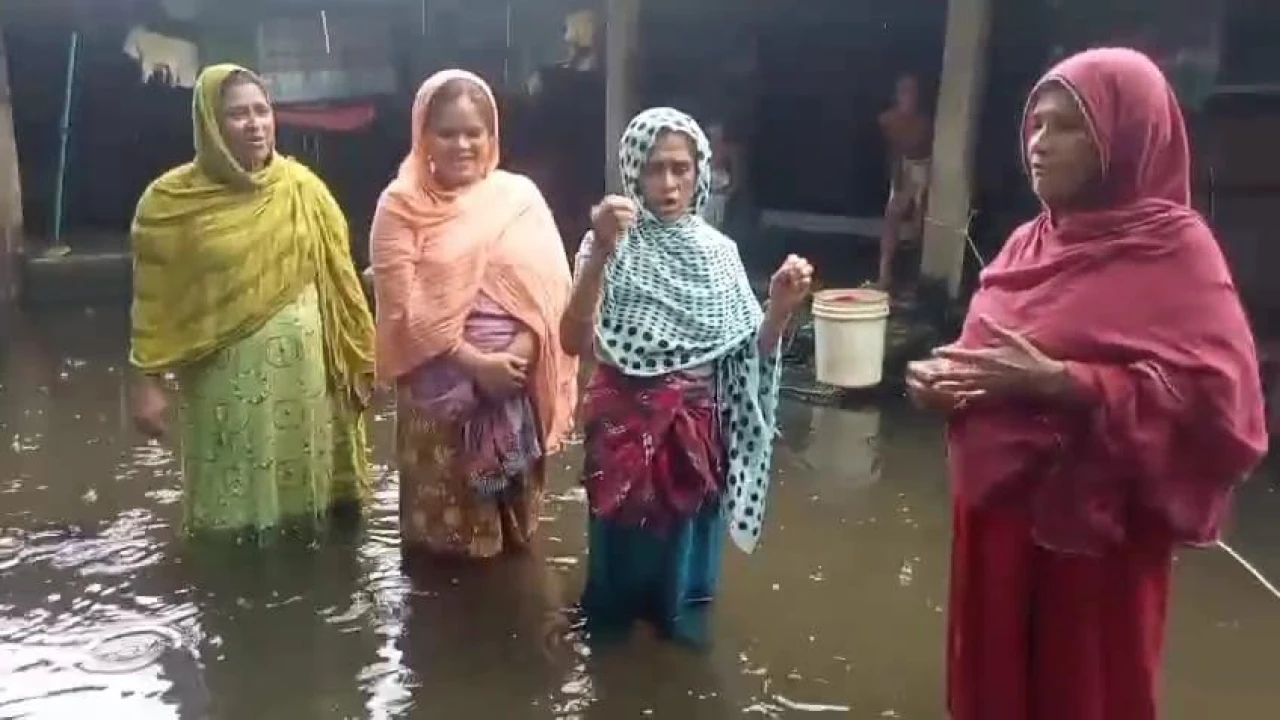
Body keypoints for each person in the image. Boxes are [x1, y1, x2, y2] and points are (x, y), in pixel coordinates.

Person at [906, 48, 1267, 720]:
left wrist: (1071, 385)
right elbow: (985, 353)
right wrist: (941, 380)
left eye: (1067, 126)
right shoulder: (1025, 245)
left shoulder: (1174, 252)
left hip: (1096, 547)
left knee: (1084, 693)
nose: (1039, 145)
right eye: (1035, 125)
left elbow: (1228, 413)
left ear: (1127, 136)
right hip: (996, 527)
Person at [560, 107, 813, 645]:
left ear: (701, 172)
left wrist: (779, 310)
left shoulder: (720, 255)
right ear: (632, 171)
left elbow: (748, 357)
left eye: (681, 167)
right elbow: (571, 341)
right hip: (623, 433)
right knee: (616, 576)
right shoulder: (607, 245)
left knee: (683, 583)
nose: (668, 182)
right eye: (654, 168)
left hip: (695, 438)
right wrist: (601, 248)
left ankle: (677, 644)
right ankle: (612, 649)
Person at [129, 64, 376, 539]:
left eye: (262, 111)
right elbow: (154, 297)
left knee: (312, 514)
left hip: (309, 380)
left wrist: (361, 359)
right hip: (224, 385)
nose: (255, 124)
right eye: (237, 114)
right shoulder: (169, 203)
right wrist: (148, 379)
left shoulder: (304, 189)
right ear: (209, 124)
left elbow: (341, 283)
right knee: (231, 517)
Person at [370, 69, 577, 561]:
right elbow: (403, 311)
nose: (462, 145)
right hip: (436, 400)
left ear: (491, 136)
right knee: (444, 546)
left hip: (513, 384)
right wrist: (476, 364)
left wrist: (515, 356)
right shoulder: (399, 207)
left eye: (473, 132)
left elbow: (549, 292)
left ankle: (511, 624)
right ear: (424, 136)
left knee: (515, 536)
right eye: (447, 133)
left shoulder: (519, 199)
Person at [876, 73, 933, 294]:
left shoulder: (925, 122)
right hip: (905, 166)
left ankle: (916, 280)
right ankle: (884, 276)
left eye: (912, 92)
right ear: (896, 95)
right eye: (903, 92)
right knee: (892, 217)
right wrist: (898, 179)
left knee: (921, 225)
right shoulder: (888, 120)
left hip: (927, 167)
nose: (908, 97)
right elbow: (893, 151)